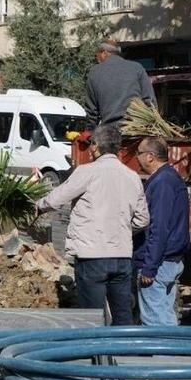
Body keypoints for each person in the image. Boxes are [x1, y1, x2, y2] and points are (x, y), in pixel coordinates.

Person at [35, 124, 150, 325]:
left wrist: (37, 206)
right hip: (121, 256)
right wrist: (120, 230)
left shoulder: (87, 172)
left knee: (93, 318)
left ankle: (98, 355)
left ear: (96, 146)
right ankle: (123, 354)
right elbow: (142, 219)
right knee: (123, 314)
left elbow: (55, 200)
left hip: (92, 256)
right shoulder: (132, 177)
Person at [133, 137, 191, 326]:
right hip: (167, 261)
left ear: (150, 156)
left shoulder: (162, 182)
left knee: (155, 322)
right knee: (165, 316)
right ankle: (172, 352)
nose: (137, 158)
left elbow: (158, 228)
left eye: (139, 153)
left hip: (159, 264)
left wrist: (150, 266)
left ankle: (164, 356)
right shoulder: (168, 178)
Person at [85, 39, 157, 127]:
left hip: (110, 132)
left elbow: (92, 112)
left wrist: (89, 131)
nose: (97, 60)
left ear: (104, 53)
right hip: (137, 128)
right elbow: (149, 100)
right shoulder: (137, 68)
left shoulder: (94, 72)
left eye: (96, 56)